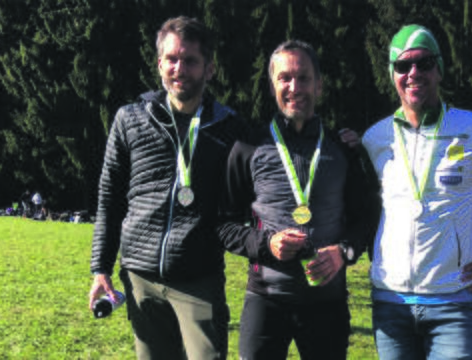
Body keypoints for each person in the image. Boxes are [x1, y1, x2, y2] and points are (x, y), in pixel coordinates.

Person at [361, 24, 472, 359]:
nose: (413, 73)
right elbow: (362, 209)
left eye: (424, 63)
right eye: (402, 65)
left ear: (439, 69)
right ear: (392, 74)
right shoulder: (374, 139)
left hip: (452, 304)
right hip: (391, 303)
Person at [88, 16, 250, 359]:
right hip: (139, 277)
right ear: (159, 63)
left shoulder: (230, 127)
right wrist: (100, 267)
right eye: (172, 59)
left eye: (191, 60)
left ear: (209, 69)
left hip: (198, 279)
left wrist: (341, 142)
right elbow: (109, 198)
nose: (180, 69)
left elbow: (276, 157)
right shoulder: (129, 119)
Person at [217, 39, 377, 360]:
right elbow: (223, 223)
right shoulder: (248, 147)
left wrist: (344, 252)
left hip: (327, 305)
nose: (295, 87)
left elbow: (367, 217)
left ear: (319, 84)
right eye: (285, 78)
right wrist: (266, 244)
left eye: (304, 78)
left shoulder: (341, 148)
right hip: (266, 301)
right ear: (272, 84)